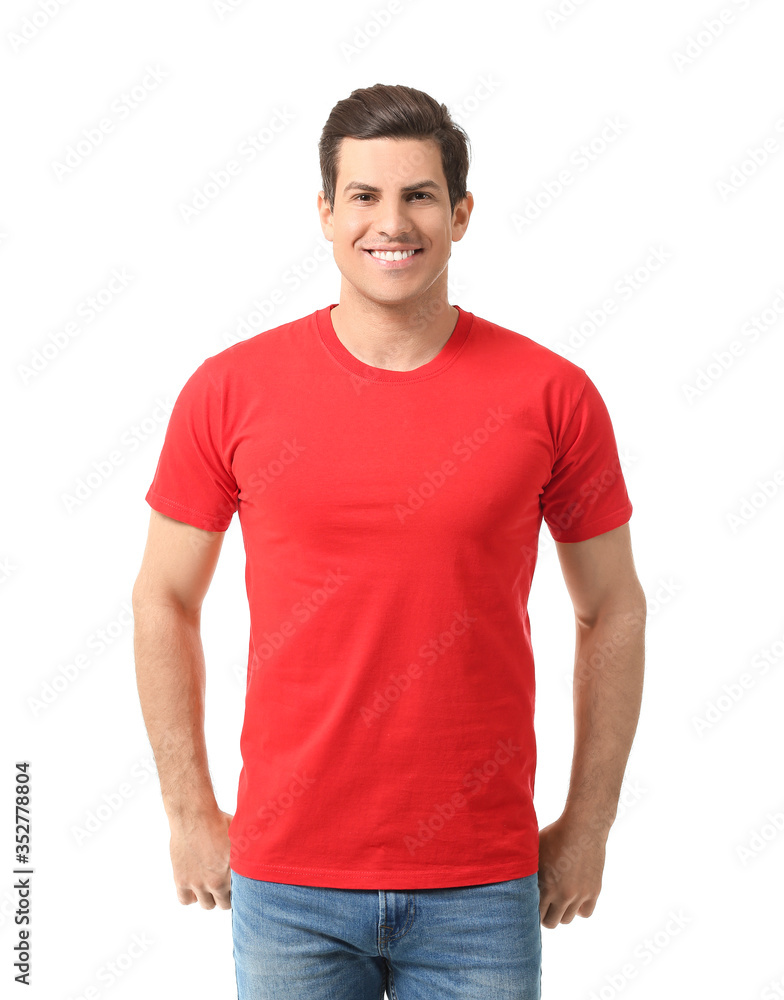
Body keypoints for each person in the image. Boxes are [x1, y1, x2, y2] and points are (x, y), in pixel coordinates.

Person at [132, 82, 646, 1000]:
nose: (391, 221)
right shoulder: (230, 391)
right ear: (326, 214)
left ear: (461, 213)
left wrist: (590, 824)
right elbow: (163, 597)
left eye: (418, 194)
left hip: (481, 886)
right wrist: (187, 811)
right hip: (286, 879)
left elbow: (613, 606)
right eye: (363, 196)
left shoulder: (551, 395)